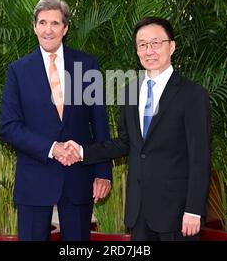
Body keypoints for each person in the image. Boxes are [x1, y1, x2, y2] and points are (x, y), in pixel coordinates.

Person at [60, 16, 212, 241]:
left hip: (178, 213)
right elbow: (125, 143)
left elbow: (200, 157)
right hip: (139, 212)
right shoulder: (130, 91)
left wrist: (193, 209)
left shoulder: (192, 94)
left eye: (156, 43)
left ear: (172, 46)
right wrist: (82, 151)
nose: (149, 50)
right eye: (142, 45)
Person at [0, 0, 112, 241]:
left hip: (79, 179)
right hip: (34, 180)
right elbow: (8, 126)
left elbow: (99, 122)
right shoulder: (18, 70)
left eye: (55, 23)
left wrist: (103, 172)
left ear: (65, 28)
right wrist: (52, 148)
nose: (48, 29)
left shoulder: (87, 64)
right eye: (42, 22)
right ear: (34, 26)